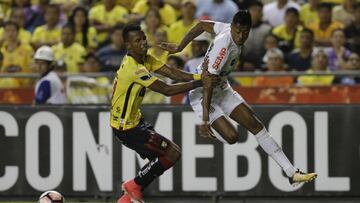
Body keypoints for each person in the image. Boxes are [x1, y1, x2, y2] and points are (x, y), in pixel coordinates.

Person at [160, 10, 317, 186]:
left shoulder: (226, 28)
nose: (241, 36)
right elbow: (207, 83)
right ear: (233, 27)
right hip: (203, 94)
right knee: (232, 137)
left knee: (256, 125)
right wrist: (204, 119)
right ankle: (211, 127)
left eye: (245, 32)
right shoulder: (223, 48)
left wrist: (180, 46)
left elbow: (201, 25)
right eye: (238, 32)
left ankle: (291, 172)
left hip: (222, 88)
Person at [113, 24, 218, 203]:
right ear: (128, 45)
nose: (143, 43)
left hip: (135, 121)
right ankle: (132, 186)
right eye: (137, 41)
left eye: (144, 38)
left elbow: (171, 72)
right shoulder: (133, 69)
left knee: (157, 161)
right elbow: (166, 90)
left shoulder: (144, 59)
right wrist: (200, 83)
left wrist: (200, 77)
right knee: (172, 154)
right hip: (127, 128)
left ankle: (128, 196)